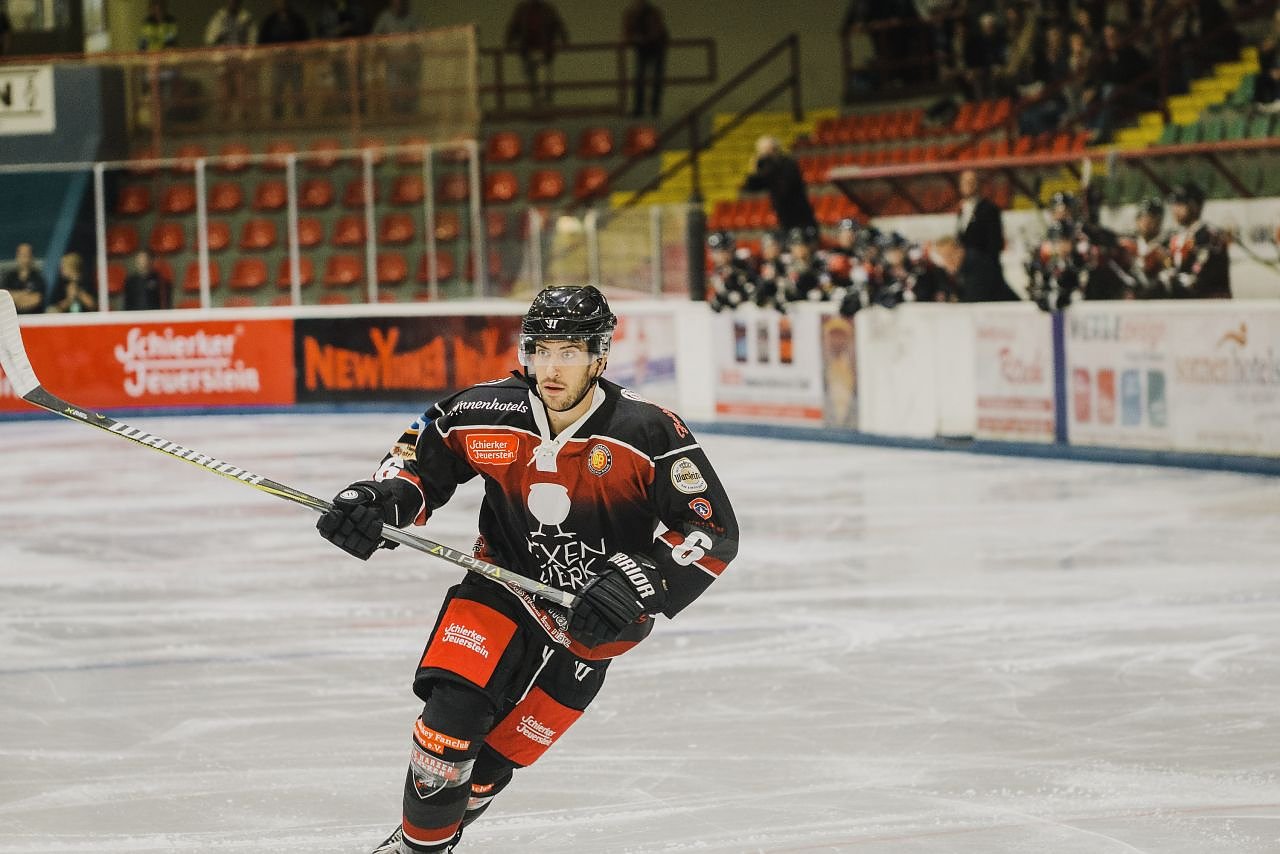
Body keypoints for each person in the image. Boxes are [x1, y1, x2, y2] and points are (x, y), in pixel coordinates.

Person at [317, 285, 738, 854]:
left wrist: (643, 581)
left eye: (568, 352)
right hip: (501, 585)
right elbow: (418, 465)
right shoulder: (484, 409)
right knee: (446, 729)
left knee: (491, 767)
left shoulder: (648, 430)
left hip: (593, 620)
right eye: (540, 350)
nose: (551, 367)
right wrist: (380, 500)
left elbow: (711, 530)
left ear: (599, 357)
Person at [1159, 181, 1231, 299]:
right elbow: (1169, 265)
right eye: (1174, 204)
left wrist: (1175, 279)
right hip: (1183, 301)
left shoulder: (1210, 237)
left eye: (1180, 204)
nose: (1175, 209)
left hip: (1209, 301)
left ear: (1195, 206)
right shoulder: (1173, 237)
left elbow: (1201, 275)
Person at [742, 136, 817, 235]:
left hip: (799, 210)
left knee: (805, 237)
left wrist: (767, 172)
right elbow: (752, 187)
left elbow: (785, 188)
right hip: (783, 213)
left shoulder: (788, 163)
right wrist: (754, 170)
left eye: (764, 151)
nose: (762, 154)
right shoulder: (767, 166)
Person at [505, 0, 568, 109]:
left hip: (544, 50)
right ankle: (536, 104)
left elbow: (558, 25)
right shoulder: (523, 10)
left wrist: (564, 40)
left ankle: (544, 104)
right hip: (528, 50)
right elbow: (514, 26)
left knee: (544, 78)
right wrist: (509, 42)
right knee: (531, 78)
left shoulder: (547, 10)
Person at [204, 0, 256, 123]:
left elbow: (252, 40)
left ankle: (244, 119)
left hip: (240, 60)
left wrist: (247, 57)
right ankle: (224, 119)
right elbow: (209, 38)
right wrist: (218, 41)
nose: (233, 3)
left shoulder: (246, 19)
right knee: (223, 91)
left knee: (242, 88)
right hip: (223, 60)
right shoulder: (219, 18)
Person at [258, 0, 310, 121]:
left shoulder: (297, 20)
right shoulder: (270, 21)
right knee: (277, 90)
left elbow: (305, 38)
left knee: (297, 90)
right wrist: (271, 52)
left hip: (295, 61)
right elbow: (262, 41)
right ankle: (277, 119)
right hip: (277, 61)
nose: (281, 3)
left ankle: (300, 118)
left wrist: (298, 52)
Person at [318, 0, 371, 114]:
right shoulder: (327, 12)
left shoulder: (356, 9)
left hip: (355, 53)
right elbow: (322, 33)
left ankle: (360, 112)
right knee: (341, 85)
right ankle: (344, 112)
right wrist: (338, 30)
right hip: (336, 54)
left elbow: (364, 28)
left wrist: (350, 27)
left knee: (357, 83)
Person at [372, 0, 424, 115]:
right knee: (394, 90)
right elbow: (376, 37)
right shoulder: (385, 17)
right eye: (395, 2)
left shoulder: (413, 17)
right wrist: (380, 51)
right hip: (393, 62)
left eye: (401, 2)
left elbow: (420, 38)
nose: (398, 4)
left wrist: (412, 50)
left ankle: (411, 116)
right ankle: (397, 116)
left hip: (410, 62)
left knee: (411, 90)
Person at [932, 235, 1019, 302]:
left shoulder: (977, 264)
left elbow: (973, 298)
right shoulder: (959, 268)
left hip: (1011, 311)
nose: (947, 261)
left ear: (960, 250)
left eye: (949, 255)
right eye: (943, 257)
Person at [622, 0, 668, 117]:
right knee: (640, 77)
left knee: (655, 78)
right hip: (643, 48)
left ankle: (653, 109)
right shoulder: (632, 14)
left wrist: (642, 39)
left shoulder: (651, 13)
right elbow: (627, 32)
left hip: (656, 47)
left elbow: (657, 31)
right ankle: (640, 109)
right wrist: (634, 39)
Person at [956, 168, 1004, 263]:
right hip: (966, 266)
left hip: (984, 266)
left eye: (971, 182)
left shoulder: (989, 209)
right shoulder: (961, 209)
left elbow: (995, 244)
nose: (968, 185)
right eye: (965, 182)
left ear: (978, 184)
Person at [1, 242, 47, 313]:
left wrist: (16, 298)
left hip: (33, 315)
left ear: (32, 257)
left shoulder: (38, 278)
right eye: (22, 255)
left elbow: (36, 299)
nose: (24, 258)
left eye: (27, 255)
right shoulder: (9, 277)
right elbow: (4, 297)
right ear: (17, 256)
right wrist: (24, 293)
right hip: (12, 315)